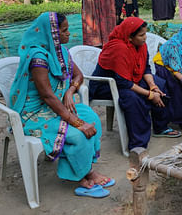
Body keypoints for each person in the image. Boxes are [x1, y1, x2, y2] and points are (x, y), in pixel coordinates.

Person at [10, 12, 113, 194]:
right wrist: (76, 122)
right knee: (77, 133)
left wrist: (70, 90)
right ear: (52, 34)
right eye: (64, 30)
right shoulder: (38, 58)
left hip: (57, 107)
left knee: (93, 119)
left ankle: (85, 169)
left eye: (68, 30)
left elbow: (78, 75)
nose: (68, 34)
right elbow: (47, 96)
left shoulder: (62, 52)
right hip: (35, 113)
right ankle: (84, 175)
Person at [89, 17, 180, 151]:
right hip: (106, 86)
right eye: (141, 35)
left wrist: (153, 86)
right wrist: (150, 94)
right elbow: (123, 83)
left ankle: (161, 127)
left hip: (128, 80)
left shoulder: (141, 46)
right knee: (133, 99)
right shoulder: (119, 49)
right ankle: (137, 144)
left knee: (160, 84)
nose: (145, 38)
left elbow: (145, 69)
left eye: (145, 34)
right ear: (130, 37)